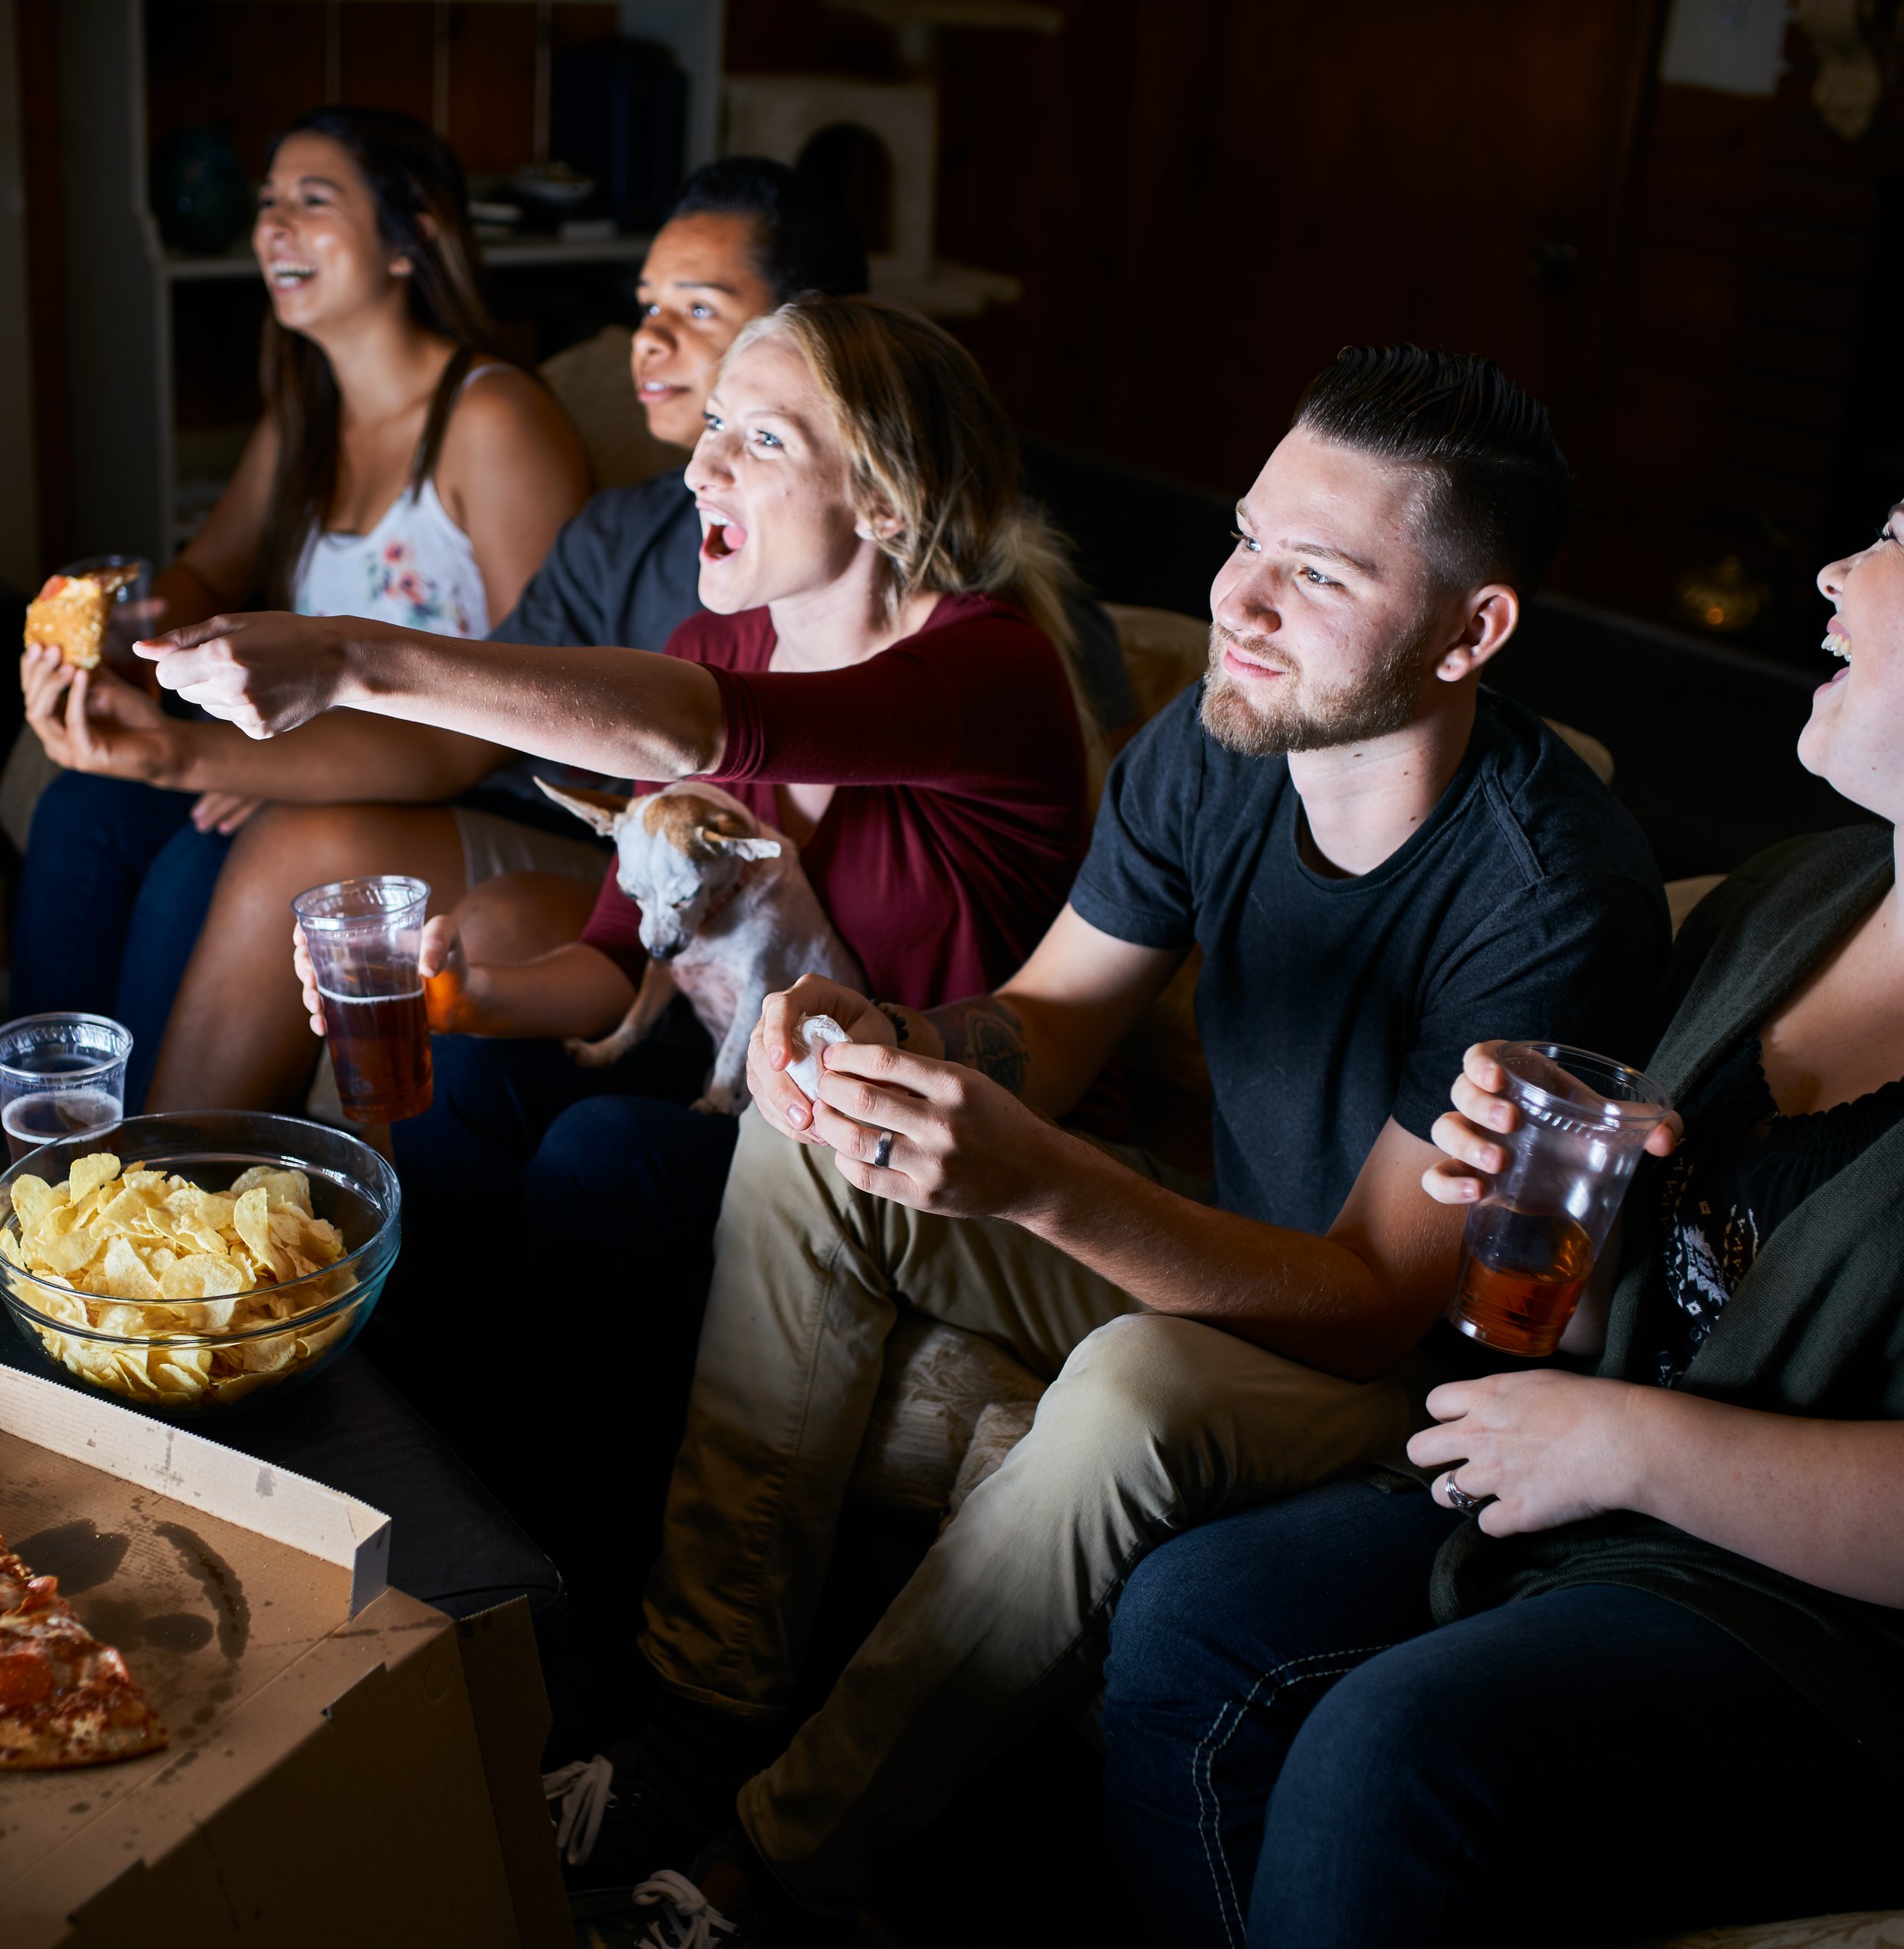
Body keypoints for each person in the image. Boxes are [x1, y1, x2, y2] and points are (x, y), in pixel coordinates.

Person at [556, 346, 1674, 1947]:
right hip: (1232, 1247)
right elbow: (1052, 1019)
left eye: (1320, 571)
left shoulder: (1550, 890)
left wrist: (1032, 1175)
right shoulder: (1214, 745)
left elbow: (1370, 1300)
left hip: (1400, 1377)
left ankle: (773, 1866)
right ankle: (693, 1723)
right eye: (1245, 538)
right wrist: (886, 1043)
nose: (1242, 600)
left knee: (1140, 1388)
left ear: (1471, 630)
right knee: (814, 1146)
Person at [1099, 398, 1904, 1948]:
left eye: (1894, 536)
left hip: (1875, 1652)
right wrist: (1529, 1171)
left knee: (1398, 1745)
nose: (1832, 572)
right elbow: (1625, 1290)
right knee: (1194, 1611)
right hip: (1612, 1531)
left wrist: (1629, 1441)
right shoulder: (1788, 895)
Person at [140, 297, 1103, 1565]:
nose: (697, 468)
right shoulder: (716, 638)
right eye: (708, 429)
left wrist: (354, 658)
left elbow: (699, 730)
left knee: (606, 1152)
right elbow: (612, 963)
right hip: (735, 1083)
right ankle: (408, 1476)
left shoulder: (991, 670)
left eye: (756, 440)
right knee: (472, 1077)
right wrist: (467, 998)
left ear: (883, 498)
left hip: (893, 1133)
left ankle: (579, 1559)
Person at [136, 156, 874, 1114]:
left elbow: (693, 723)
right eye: (645, 303)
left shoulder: (885, 562)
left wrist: (336, 657)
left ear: (815, 333)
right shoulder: (623, 530)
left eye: (695, 310)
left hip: (744, 916)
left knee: (393, 890)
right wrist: (177, 751)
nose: (646, 339)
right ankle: (125, 1188)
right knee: (166, 832)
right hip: (617, 867)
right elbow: (474, 732)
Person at [5, 105, 588, 1102]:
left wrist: (260, 764)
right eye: (268, 202)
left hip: (464, 781)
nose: (272, 227)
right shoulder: (306, 413)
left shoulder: (491, 417)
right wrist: (115, 638)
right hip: (315, 752)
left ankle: (144, 1180)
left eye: (313, 203)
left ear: (415, 240)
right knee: (86, 809)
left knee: (202, 858)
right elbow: (206, 572)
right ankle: (45, 1146)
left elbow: (533, 716)